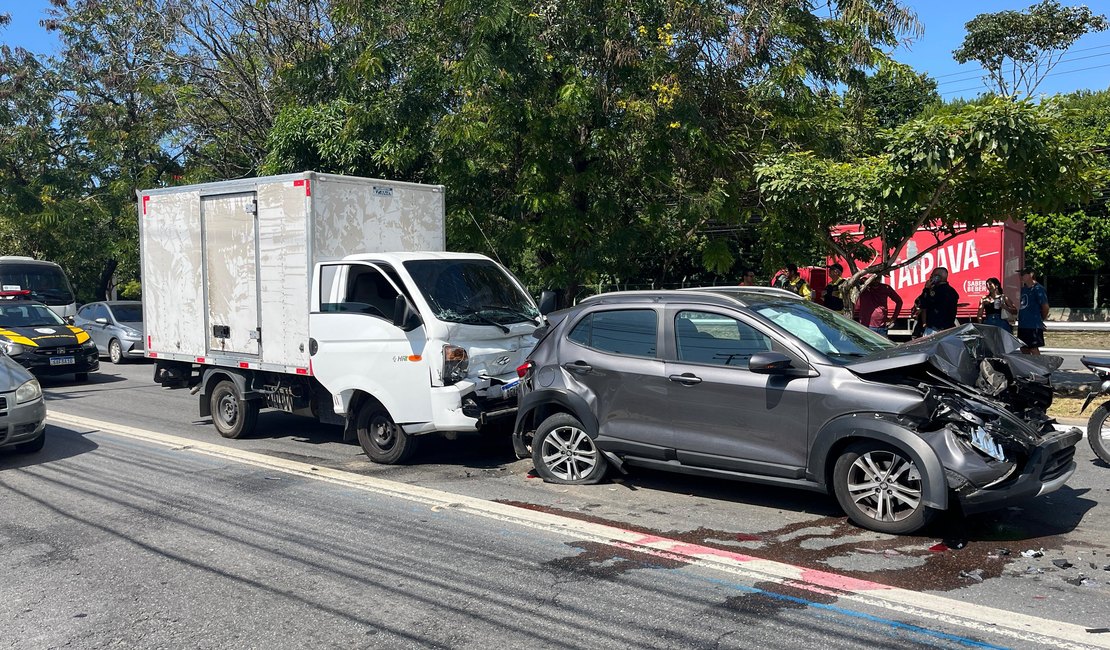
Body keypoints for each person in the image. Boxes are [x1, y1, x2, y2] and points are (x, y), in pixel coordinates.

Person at [1018, 267, 1050, 355]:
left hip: (1032, 325)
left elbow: (1045, 307)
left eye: (1023, 274)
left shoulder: (1038, 289)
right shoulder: (1023, 289)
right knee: (1023, 348)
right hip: (1023, 324)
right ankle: (1027, 367)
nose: (1021, 276)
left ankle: (1039, 367)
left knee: (1033, 348)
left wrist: (1040, 320)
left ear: (1031, 275)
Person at [919, 267, 959, 335]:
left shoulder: (936, 291)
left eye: (932, 275)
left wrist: (926, 289)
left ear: (938, 277)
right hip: (949, 328)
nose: (931, 277)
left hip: (934, 329)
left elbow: (923, 303)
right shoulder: (952, 291)